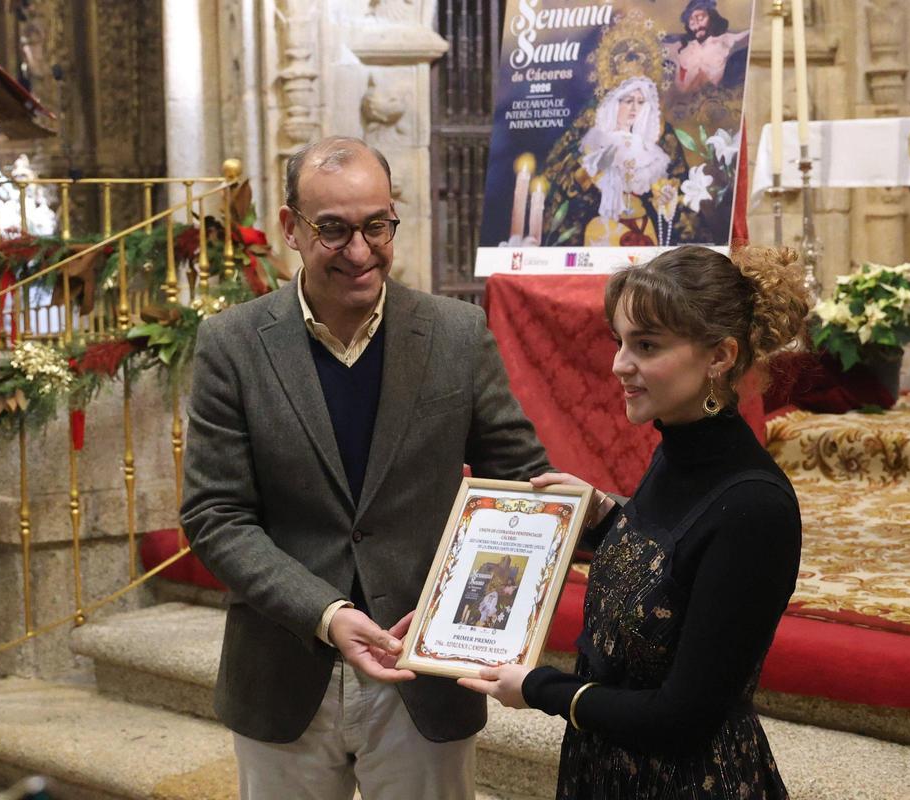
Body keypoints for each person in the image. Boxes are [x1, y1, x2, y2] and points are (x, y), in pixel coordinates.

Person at [180, 136, 550, 800]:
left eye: (376, 226)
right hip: (284, 672)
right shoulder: (232, 346)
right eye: (334, 230)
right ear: (291, 227)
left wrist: (484, 609)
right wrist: (324, 611)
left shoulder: (456, 334)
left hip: (425, 675)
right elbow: (215, 516)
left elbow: (519, 488)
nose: (359, 250)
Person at [459, 245, 810, 799]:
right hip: (609, 765)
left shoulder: (754, 508)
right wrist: (605, 516)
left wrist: (540, 688)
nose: (619, 364)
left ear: (719, 356)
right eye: (619, 341)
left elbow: (682, 718)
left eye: (646, 346)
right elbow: (674, 562)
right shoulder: (678, 449)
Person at [578, 75, 671, 247]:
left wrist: (665, 198)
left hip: (643, 223)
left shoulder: (650, 151)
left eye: (641, 102)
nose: (634, 108)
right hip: (606, 224)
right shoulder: (599, 141)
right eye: (629, 101)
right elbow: (585, 180)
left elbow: (658, 194)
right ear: (616, 104)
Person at [663, 0, 751, 97]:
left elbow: (751, 34)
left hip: (709, 99)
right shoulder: (683, 47)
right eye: (691, 21)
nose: (696, 24)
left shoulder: (724, 40)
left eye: (700, 18)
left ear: (712, 16)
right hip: (681, 101)